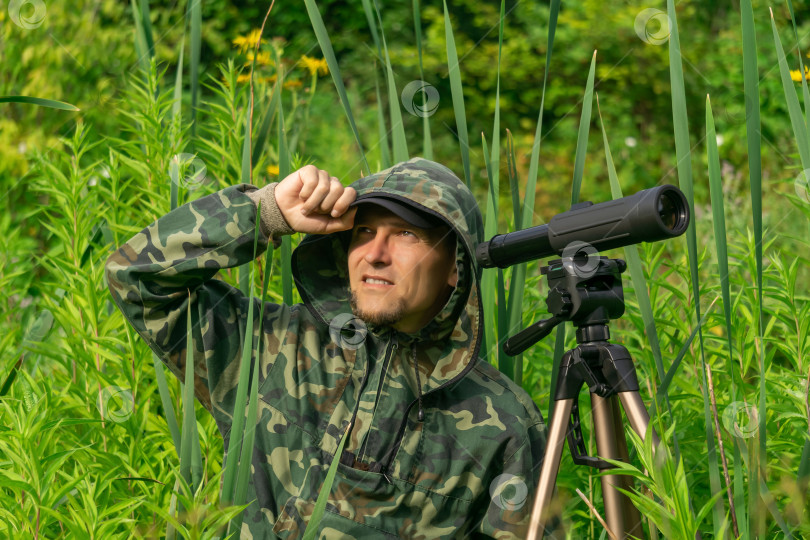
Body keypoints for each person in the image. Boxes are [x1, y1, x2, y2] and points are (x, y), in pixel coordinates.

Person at [106, 157, 547, 539]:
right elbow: (136, 277)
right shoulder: (270, 348)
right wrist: (266, 212)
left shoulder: (503, 421)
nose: (374, 253)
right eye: (365, 231)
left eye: (406, 235)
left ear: (456, 266)